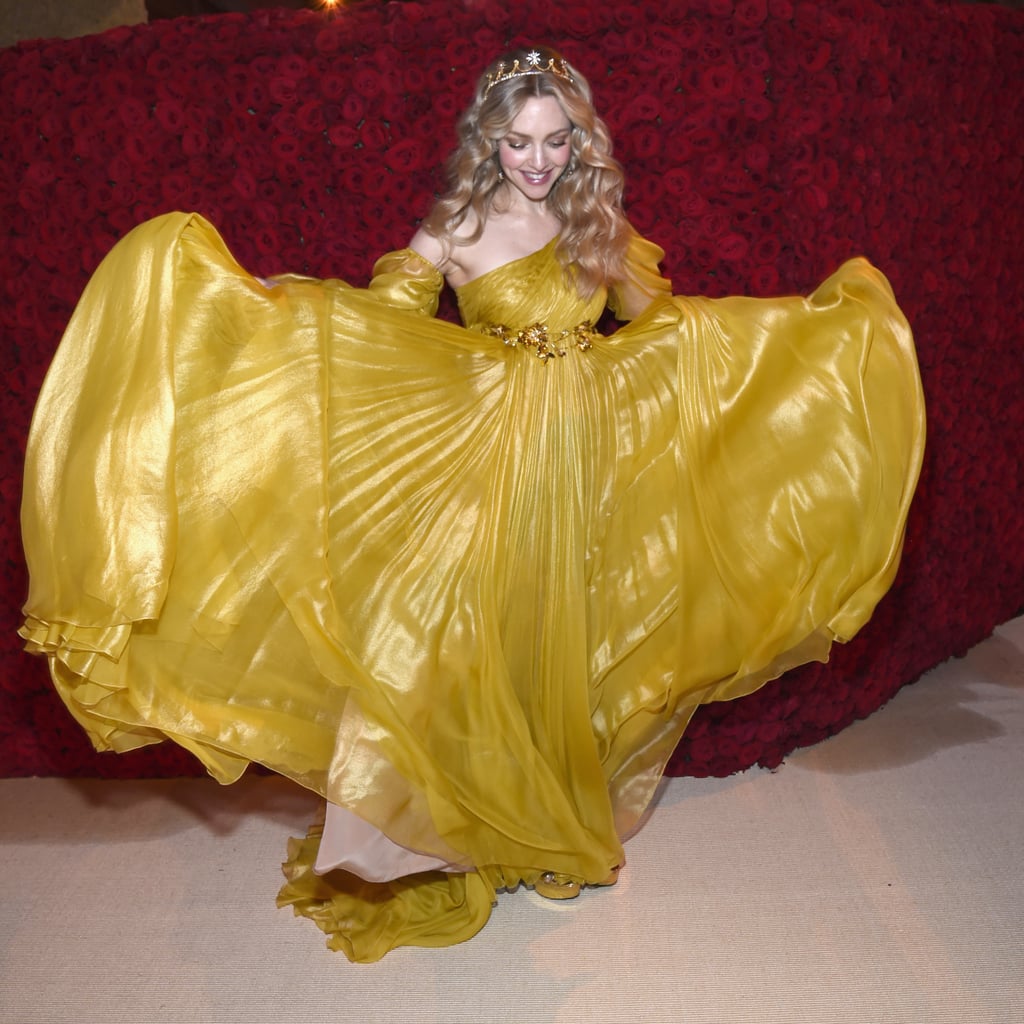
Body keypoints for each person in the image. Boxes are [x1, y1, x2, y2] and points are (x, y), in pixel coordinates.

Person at [19, 46, 925, 962]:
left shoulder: (596, 229)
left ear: (580, 142)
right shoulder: (451, 228)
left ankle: (537, 812)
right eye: (519, 140)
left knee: (564, 638)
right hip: (487, 453)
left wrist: (781, 352)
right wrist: (281, 330)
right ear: (487, 141)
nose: (538, 160)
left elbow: (673, 329)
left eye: (556, 140)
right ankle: (435, 833)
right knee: (451, 639)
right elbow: (381, 327)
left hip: (587, 457)